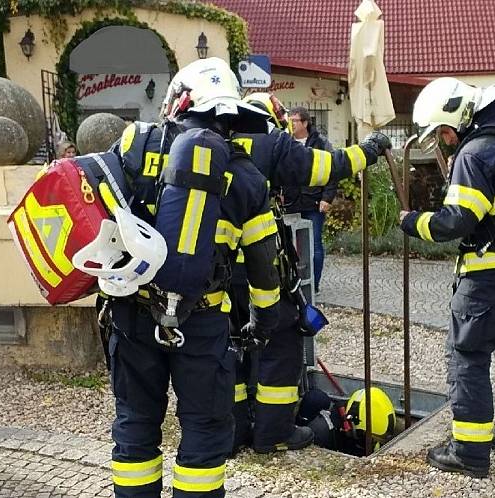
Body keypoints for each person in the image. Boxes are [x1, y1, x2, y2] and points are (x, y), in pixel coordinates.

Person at [104, 57, 281, 498]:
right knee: (204, 426)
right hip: (202, 322)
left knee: (136, 421)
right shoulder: (246, 177)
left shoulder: (135, 145)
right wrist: (263, 319)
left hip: (132, 312)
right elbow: (264, 267)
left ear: (178, 101)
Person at [399, 77, 495, 478]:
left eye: (444, 131)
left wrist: (412, 222)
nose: (446, 140)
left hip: (488, 277)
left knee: (467, 356)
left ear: (457, 117)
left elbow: (456, 222)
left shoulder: (476, 153)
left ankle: (468, 450)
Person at [228, 93, 391, 455]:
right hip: (258, 264)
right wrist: (370, 149)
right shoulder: (269, 146)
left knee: (231, 346)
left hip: (219, 271)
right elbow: (328, 166)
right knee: (282, 341)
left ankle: (236, 429)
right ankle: (274, 434)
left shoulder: (213, 144)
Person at [280, 107, 335, 294]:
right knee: (289, 245)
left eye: (294, 120)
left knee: (314, 245)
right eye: (289, 120)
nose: (291, 124)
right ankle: (293, 283)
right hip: (289, 203)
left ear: (304, 123)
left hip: (313, 202)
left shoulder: (321, 143)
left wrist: (327, 197)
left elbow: (332, 172)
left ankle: (314, 284)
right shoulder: (284, 142)